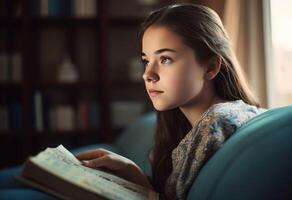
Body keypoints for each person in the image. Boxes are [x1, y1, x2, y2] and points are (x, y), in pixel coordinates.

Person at [76, 3, 266, 200]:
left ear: (210, 67)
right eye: (146, 60)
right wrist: (132, 172)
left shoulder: (218, 122)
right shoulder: (186, 127)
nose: (147, 75)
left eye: (165, 59)